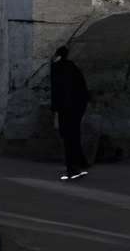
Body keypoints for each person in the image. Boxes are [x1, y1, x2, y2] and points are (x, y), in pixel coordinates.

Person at [49, 44, 90, 180]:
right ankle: (80, 163)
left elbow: (58, 91)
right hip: (76, 108)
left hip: (65, 109)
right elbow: (82, 89)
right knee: (74, 136)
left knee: (67, 137)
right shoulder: (73, 68)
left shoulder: (57, 68)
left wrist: (56, 109)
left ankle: (73, 168)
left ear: (58, 56)